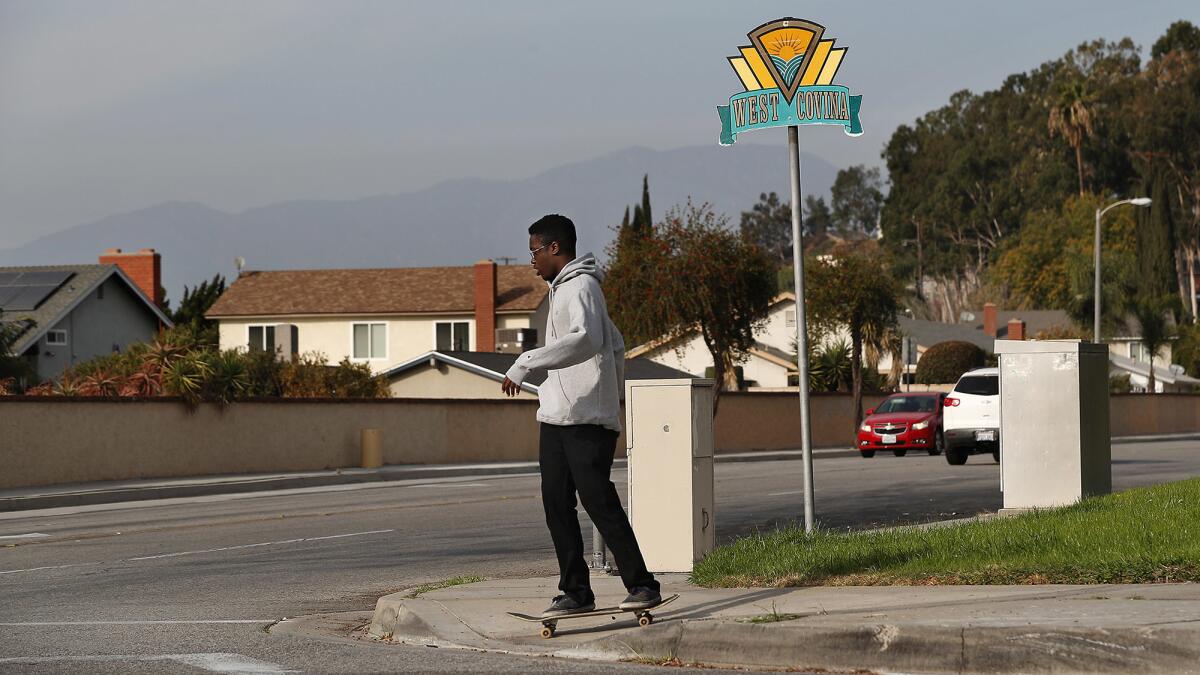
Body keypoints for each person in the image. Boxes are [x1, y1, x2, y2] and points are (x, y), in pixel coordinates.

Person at [501, 214, 662, 618]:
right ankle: (575, 591)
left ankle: (643, 585)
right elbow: (615, 343)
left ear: (555, 248)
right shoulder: (561, 291)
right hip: (557, 418)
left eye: (535, 251)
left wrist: (526, 362)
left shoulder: (583, 286)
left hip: (587, 419)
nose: (532, 261)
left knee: (597, 500)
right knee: (556, 502)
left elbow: (588, 340)